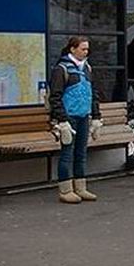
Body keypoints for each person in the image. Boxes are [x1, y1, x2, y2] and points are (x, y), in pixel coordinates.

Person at [49, 36, 103, 204]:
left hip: (83, 116)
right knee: (67, 153)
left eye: (87, 49)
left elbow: (92, 93)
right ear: (72, 49)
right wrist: (62, 120)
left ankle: (80, 187)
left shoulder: (87, 68)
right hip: (69, 118)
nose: (86, 52)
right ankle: (65, 190)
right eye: (82, 49)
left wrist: (96, 116)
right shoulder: (62, 69)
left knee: (81, 153)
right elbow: (55, 97)